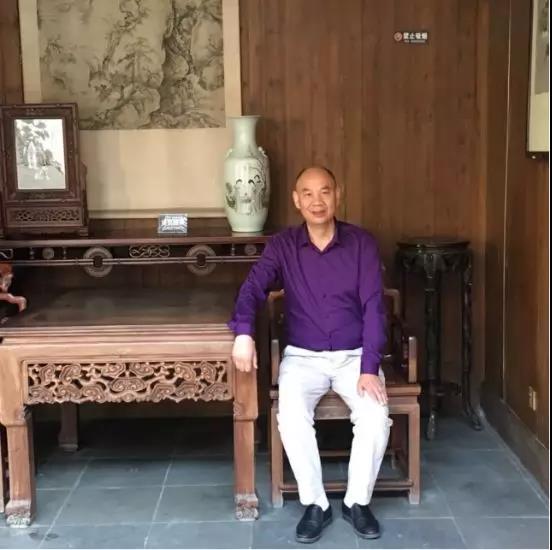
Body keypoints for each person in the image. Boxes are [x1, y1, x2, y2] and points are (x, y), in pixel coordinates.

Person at [228, 166, 391, 543]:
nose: (317, 201)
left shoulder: (361, 243)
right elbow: (252, 289)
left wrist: (369, 368)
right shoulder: (283, 245)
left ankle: (357, 502)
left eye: (325, 192)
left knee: (374, 416)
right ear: (296, 200)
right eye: (308, 193)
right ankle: (316, 504)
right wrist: (244, 333)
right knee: (291, 417)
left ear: (338, 195)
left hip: (355, 356)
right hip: (303, 356)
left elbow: (374, 307)